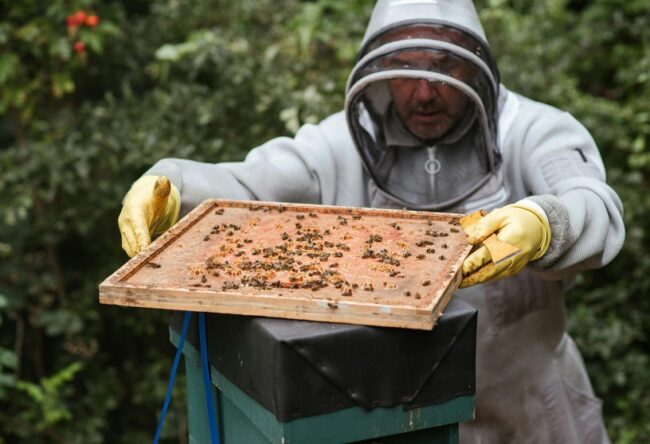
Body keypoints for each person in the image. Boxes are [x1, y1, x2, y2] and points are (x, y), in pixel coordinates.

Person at [118, 0, 625, 442]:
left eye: (443, 64)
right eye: (404, 67)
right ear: (376, 69)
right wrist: (175, 187)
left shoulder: (536, 131)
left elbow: (594, 204)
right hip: (398, 425)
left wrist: (545, 223)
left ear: (477, 66)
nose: (424, 92)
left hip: (533, 414)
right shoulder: (340, 145)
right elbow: (252, 185)